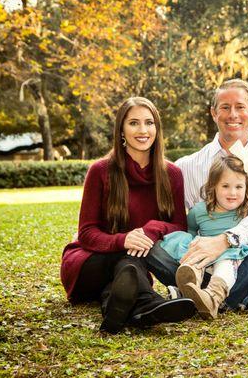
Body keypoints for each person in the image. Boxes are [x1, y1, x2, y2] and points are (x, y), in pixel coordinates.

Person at [147, 79, 248, 312]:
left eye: (240, 107)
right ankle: (245, 296)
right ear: (213, 113)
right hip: (202, 262)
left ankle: (205, 298)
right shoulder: (187, 167)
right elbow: (178, 221)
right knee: (152, 245)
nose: (233, 115)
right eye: (225, 107)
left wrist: (225, 241)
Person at [60, 97, 195, 334]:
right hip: (90, 264)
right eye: (134, 123)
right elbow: (86, 233)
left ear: (157, 128)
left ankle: (122, 311)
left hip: (131, 271)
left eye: (149, 123)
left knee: (130, 267)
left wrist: (150, 230)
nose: (143, 130)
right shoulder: (100, 171)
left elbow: (179, 225)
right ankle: (148, 302)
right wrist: (123, 240)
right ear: (121, 129)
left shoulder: (171, 174)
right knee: (129, 258)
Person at [160, 155, 248, 319]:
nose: (232, 193)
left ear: (247, 188)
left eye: (239, 187)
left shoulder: (246, 211)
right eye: (225, 186)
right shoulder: (199, 211)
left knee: (225, 265)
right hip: (205, 255)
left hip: (231, 255)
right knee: (194, 252)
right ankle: (191, 283)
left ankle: (212, 297)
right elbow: (190, 230)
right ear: (214, 186)